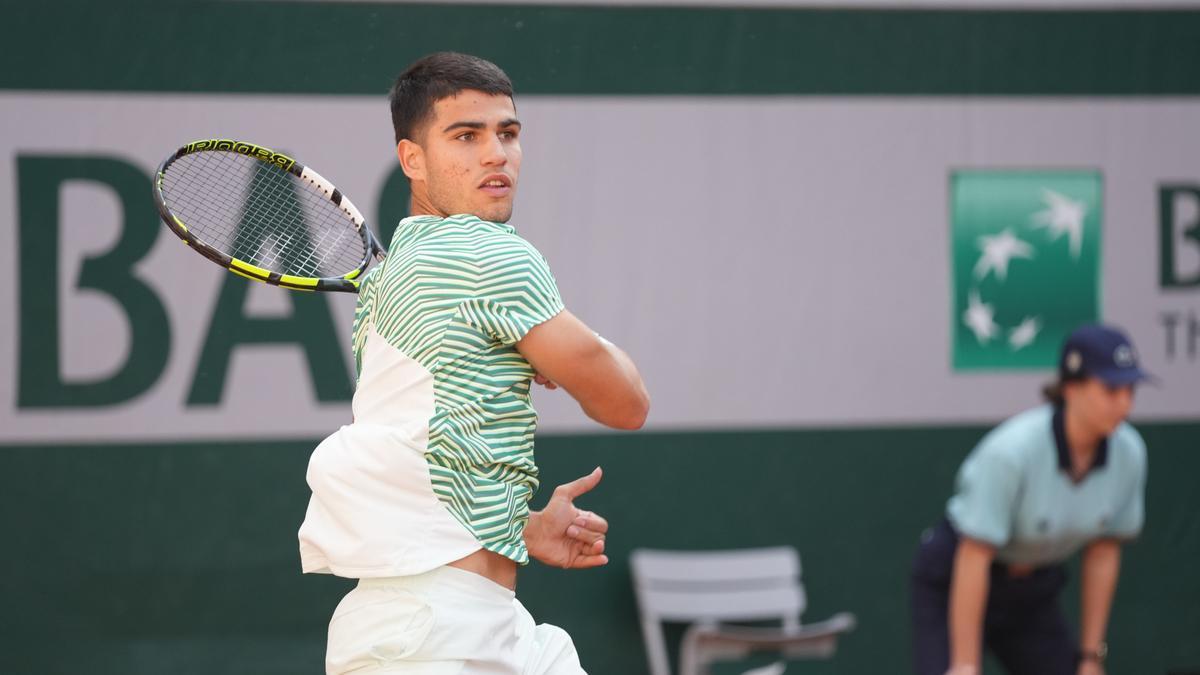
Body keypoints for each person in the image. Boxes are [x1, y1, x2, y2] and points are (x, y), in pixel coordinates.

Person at [297, 52, 650, 675]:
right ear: (413, 160)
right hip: (432, 634)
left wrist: (517, 527)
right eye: (466, 136)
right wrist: (561, 347)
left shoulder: (390, 274)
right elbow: (625, 403)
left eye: (507, 134)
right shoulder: (484, 252)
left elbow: (428, 434)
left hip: (463, 620)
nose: (496, 154)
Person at [910, 324, 1150, 675]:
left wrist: (1091, 657)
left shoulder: (1130, 454)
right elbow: (974, 554)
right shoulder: (1011, 453)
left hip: (1031, 592)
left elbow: (1103, 552)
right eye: (1111, 389)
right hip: (956, 579)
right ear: (1071, 387)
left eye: (1131, 389)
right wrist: (964, 663)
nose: (1124, 402)